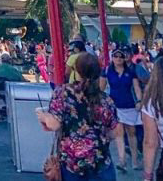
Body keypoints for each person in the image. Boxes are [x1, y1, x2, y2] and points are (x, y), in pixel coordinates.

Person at [37, 52, 120, 181]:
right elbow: (114, 132)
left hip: (73, 163)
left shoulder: (63, 93)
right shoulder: (106, 100)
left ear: (77, 71)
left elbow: (54, 124)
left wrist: (43, 116)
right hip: (100, 162)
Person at [101, 48, 143, 172]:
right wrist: (106, 100)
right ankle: (122, 161)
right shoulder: (107, 71)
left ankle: (135, 161)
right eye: (115, 56)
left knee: (131, 133)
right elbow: (101, 89)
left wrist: (139, 101)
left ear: (124, 58)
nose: (118, 59)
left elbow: (136, 88)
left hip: (130, 105)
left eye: (120, 57)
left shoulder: (131, 72)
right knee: (119, 133)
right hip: (115, 106)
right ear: (112, 58)